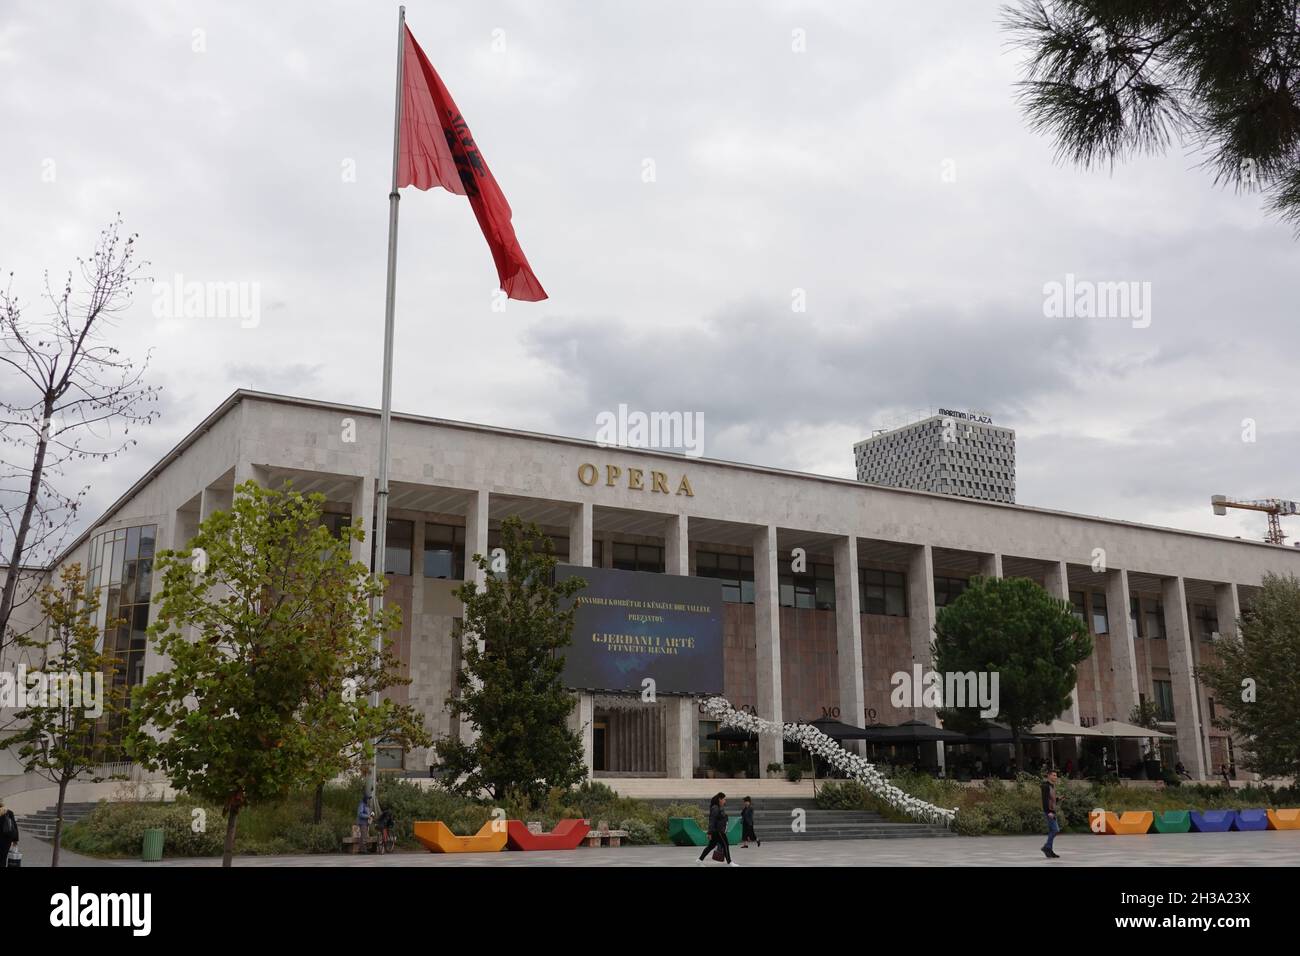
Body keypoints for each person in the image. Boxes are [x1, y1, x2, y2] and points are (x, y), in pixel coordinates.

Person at [697, 792, 737, 866]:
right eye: (724, 799)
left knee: (711, 846)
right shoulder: (715, 808)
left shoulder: (718, 807)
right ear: (720, 799)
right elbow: (712, 820)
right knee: (725, 845)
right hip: (718, 831)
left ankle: (699, 860)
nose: (725, 801)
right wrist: (709, 833)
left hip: (718, 831)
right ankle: (730, 862)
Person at [1040, 770, 1061, 859]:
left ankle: (1049, 850)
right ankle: (1047, 847)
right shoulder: (1045, 786)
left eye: (1056, 775)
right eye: (1054, 775)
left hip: (1052, 811)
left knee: (1052, 830)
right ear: (1049, 776)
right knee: (1055, 830)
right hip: (1049, 812)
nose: (1055, 777)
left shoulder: (1052, 786)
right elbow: (1045, 800)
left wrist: (1058, 799)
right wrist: (1048, 812)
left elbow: (1051, 799)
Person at [0, 800, 17, 868]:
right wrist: (15, 840)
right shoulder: (9, 812)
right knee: (3, 858)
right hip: (6, 840)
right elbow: (14, 827)